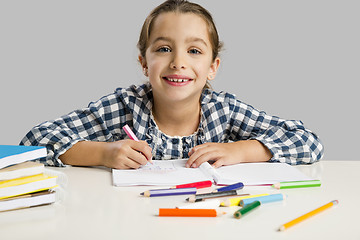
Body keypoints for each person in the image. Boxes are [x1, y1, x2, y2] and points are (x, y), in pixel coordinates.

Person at [20, 0, 323, 169]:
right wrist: (103, 153)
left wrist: (242, 151)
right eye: (164, 49)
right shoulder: (124, 107)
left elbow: (309, 142)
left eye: (194, 51)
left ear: (212, 68)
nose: (178, 62)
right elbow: (33, 142)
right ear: (143, 63)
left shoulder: (224, 110)